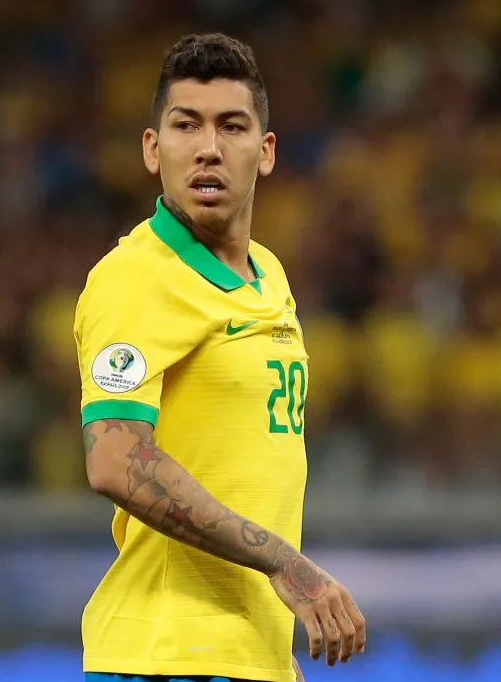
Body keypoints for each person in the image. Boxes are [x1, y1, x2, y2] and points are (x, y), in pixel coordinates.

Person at [74, 33, 367, 682]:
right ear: (153, 150)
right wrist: (284, 562)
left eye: (232, 126)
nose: (208, 147)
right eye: (186, 125)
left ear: (266, 152)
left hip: (248, 657)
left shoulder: (270, 276)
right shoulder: (136, 277)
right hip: (164, 656)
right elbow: (116, 459)